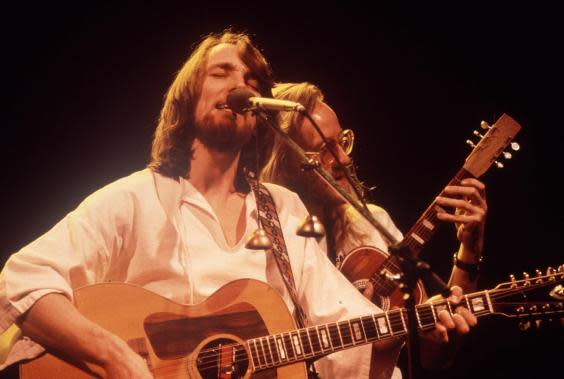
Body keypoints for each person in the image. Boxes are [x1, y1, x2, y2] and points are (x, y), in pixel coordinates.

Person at [0, 32, 476, 379]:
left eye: (250, 77)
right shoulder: (133, 199)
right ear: (188, 97)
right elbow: (22, 278)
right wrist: (114, 357)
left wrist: (410, 328)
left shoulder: (287, 212)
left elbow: (339, 319)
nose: (239, 82)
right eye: (221, 71)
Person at [262, 82, 487, 375]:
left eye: (342, 142)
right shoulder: (266, 238)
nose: (343, 159)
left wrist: (469, 250)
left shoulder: (369, 225)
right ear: (285, 163)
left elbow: (436, 357)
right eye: (324, 151)